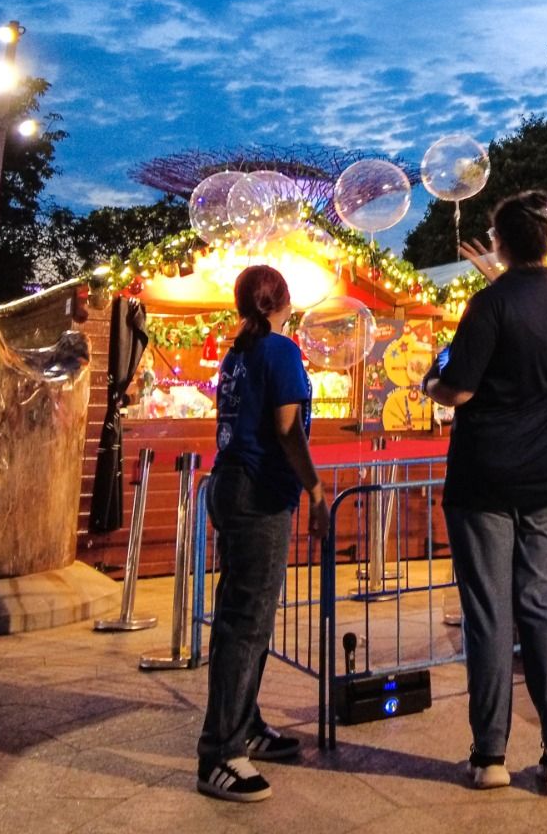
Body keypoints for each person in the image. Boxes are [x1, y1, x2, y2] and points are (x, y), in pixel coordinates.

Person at [423, 190, 547, 794]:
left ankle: (490, 755)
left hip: (485, 476)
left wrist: (430, 382)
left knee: (489, 613)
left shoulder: (487, 305)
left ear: (500, 242)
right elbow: (528, 307)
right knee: (543, 607)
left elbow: (459, 389)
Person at [197, 265, 328, 804]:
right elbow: (286, 427)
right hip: (259, 492)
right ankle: (220, 752)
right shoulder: (279, 350)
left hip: (231, 483)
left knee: (242, 616)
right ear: (285, 301)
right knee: (246, 625)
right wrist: (316, 490)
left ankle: (245, 725)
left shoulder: (240, 351)